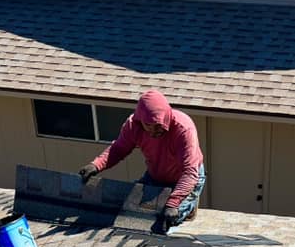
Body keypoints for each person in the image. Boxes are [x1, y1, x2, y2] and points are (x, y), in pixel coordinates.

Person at [79, 90, 205, 233]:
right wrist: (96, 165)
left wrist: (173, 203)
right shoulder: (134, 125)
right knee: (129, 208)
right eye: (148, 126)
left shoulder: (183, 128)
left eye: (158, 125)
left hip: (186, 179)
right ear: (140, 120)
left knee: (165, 219)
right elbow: (119, 149)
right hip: (156, 175)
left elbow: (189, 173)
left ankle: (188, 207)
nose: (153, 131)